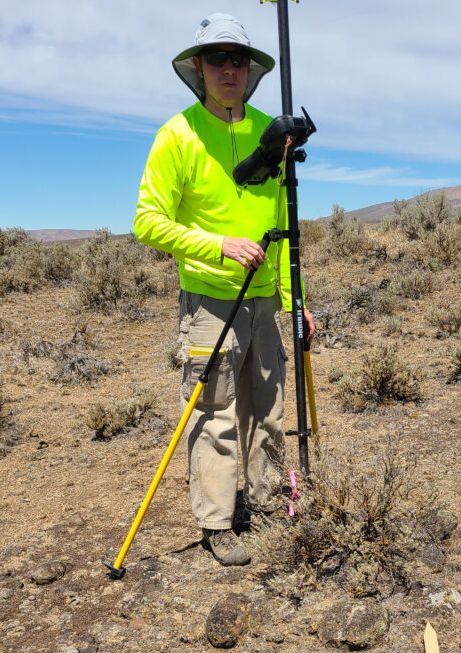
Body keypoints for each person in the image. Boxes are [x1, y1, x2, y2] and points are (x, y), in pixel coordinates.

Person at [133, 13, 315, 566]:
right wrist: (218, 245)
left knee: (269, 406)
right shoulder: (179, 134)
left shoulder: (271, 131)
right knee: (214, 412)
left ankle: (264, 505)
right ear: (198, 67)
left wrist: (295, 297)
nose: (229, 68)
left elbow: (285, 225)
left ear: (251, 69)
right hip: (211, 298)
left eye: (238, 58)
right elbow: (146, 221)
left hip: (263, 299)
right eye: (217, 58)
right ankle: (218, 525)